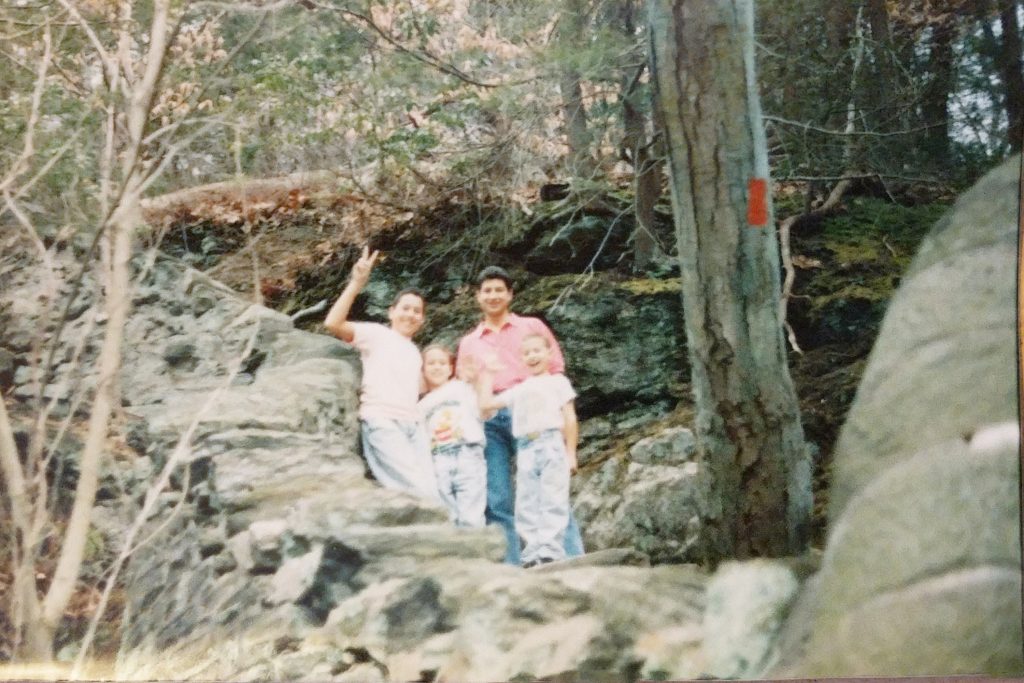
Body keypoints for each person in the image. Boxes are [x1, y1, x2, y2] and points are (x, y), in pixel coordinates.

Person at [456, 265, 585, 564]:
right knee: (498, 496)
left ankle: (571, 557)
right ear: (477, 297)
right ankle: (517, 564)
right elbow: (466, 386)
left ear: (510, 294)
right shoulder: (470, 342)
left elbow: (555, 371)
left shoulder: (532, 327)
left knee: (550, 487)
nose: (493, 295)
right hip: (490, 419)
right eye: (487, 290)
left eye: (499, 289)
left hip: (532, 414)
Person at [324, 246, 439, 502]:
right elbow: (333, 323)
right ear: (391, 312)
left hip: (413, 425)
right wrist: (356, 283)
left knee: (431, 486)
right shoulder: (377, 334)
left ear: (422, 320)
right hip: (383, 421)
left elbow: (425, 389)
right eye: (405, 308)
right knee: (419, 491)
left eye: (417, 311)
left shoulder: (415, 352)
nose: (410, 314)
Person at [477, 333, 579, 567]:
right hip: (526, 447)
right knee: (527, 502)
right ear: (521, 359)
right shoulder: (520, 389)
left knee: (553, 498)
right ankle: (532, 553)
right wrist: (488, 374)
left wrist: (570, 452)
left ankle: (551, 551)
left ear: (549, 353)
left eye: (537, 351)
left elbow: (570, 418)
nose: (532, 356)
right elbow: (485, 405)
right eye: (527, 353)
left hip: (551, 442)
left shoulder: (558, 382)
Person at [418, 344, 487, 527]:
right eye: (431, 363)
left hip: (467, 452)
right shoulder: (421, 405)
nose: (437, 367)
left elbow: (482, 410)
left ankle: (476, 551)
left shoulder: (461, 388)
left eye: (442, 363)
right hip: (438, 457)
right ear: (423, 370)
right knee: (446, 511)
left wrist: (477, 380)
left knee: (471, 510)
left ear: (450, 369)